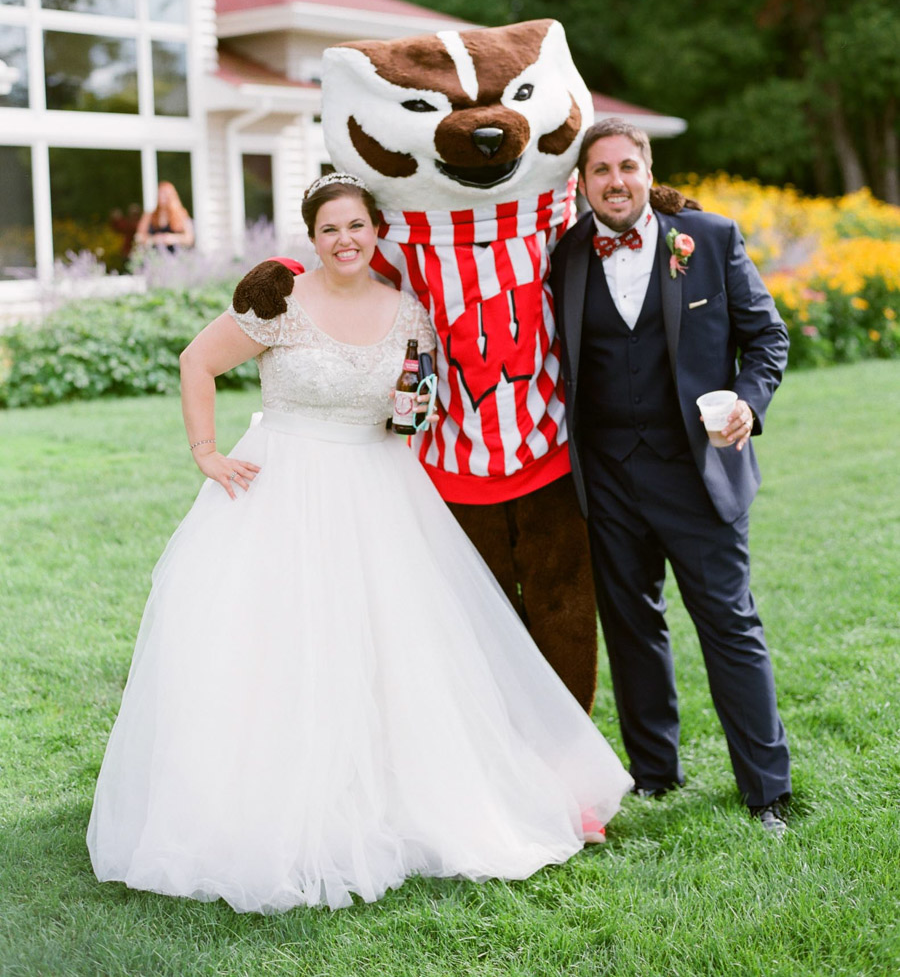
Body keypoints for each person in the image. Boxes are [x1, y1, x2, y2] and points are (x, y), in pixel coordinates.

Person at [87, 172, 633, 913]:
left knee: (393, 649)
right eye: (330, 229)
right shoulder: (277, 298)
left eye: (357, 226)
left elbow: (415, 408)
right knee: (279, 649)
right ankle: (270, 797)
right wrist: (206, 451)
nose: (345, 240)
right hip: (281, 489)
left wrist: (412, 411)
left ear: (378, 231)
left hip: (378, 487)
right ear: (311, 238)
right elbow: (197, 362)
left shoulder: (407, 311)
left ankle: (409, 794)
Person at [548, 119, 792, 836]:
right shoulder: (564, 256)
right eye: (601, 170)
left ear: (648, 169)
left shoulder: (708, 240)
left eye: (628, 166)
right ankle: (655, 771)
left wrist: (747, 401)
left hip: (698, 470)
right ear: (582, 182)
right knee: (631, 627)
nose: (616, 181)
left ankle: (767, 789)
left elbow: (767, 336)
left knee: (728, 622)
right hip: (608, 476)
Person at [134, 180, 194, 253]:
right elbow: (138, 237)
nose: (161, 197)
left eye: (164, 194)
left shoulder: (181, 214)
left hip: (175, 257)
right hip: (153, 257)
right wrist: (154, 239)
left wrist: (172, 238)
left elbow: (189, 238)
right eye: (160, 194)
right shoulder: (149, 215)